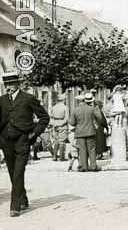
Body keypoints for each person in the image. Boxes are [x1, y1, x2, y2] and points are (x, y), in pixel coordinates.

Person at [0, 73, 50, 217]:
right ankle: (23, 198)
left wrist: (34, 133)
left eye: (12, 84)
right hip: (6, 140)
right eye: (7, 84)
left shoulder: (28, 98)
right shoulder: (1, 100)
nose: (9, 87)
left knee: (18, 171)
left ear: (18, 84)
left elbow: (44, 117)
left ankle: (15, 206)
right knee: (12, 171)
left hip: (23, 140)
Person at [69, 92, 101, 172]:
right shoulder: (91, 108)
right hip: (90, 131)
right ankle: (93, 166)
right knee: (92, 149)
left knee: (82, 150)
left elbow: (72, 122)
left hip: (79, 133)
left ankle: (84, 167)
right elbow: (99, 117)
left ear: (77, 101)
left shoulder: (75, 110)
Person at [50, 93, 69, 162]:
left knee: (56, 140)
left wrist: (54, 123)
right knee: (62, 141)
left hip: (55, 124)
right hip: (62, 125)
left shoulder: (53, 107)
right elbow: (66, 118)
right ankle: (62, 157)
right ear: (63, 100)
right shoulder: (65, 108)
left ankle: (54, 156)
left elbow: (51, 117)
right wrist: (61, 123)